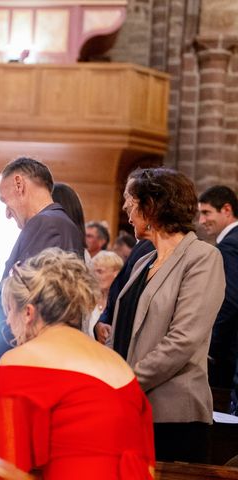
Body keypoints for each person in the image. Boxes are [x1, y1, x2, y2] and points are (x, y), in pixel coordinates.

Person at [0, 248, 155, 479]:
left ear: (28, 312)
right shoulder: (117, 363)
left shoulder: (20, 361)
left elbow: (8, 466)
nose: (7, 320)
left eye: (9, 310)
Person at [109, 167, 225, 462]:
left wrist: (129, 383)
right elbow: (122, 330)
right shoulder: (143, 262)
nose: (126, 209)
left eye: (130, 201)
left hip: (174, 417)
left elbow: (183, 339)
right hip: (130, 410)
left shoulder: (202, 257)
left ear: (152, 205)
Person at [0, 157, 84, 438]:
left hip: (22, 366)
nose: (7, 213)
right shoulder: (59, 224)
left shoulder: (46, 224)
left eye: (3, 200)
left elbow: (24, 307)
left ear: (19, 183)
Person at [198, 186, 238, 393]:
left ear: (227, 210)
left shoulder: (229, 246)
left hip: (228, 352)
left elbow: (229, 302)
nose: (202, 221)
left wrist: (212, 348)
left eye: (206, 213)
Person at [83, 251, 123, 338]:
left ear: (116, 273)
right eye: (93, 271)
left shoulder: (122, 303)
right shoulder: (87, 300)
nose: (94, 276)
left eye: (100, 271)